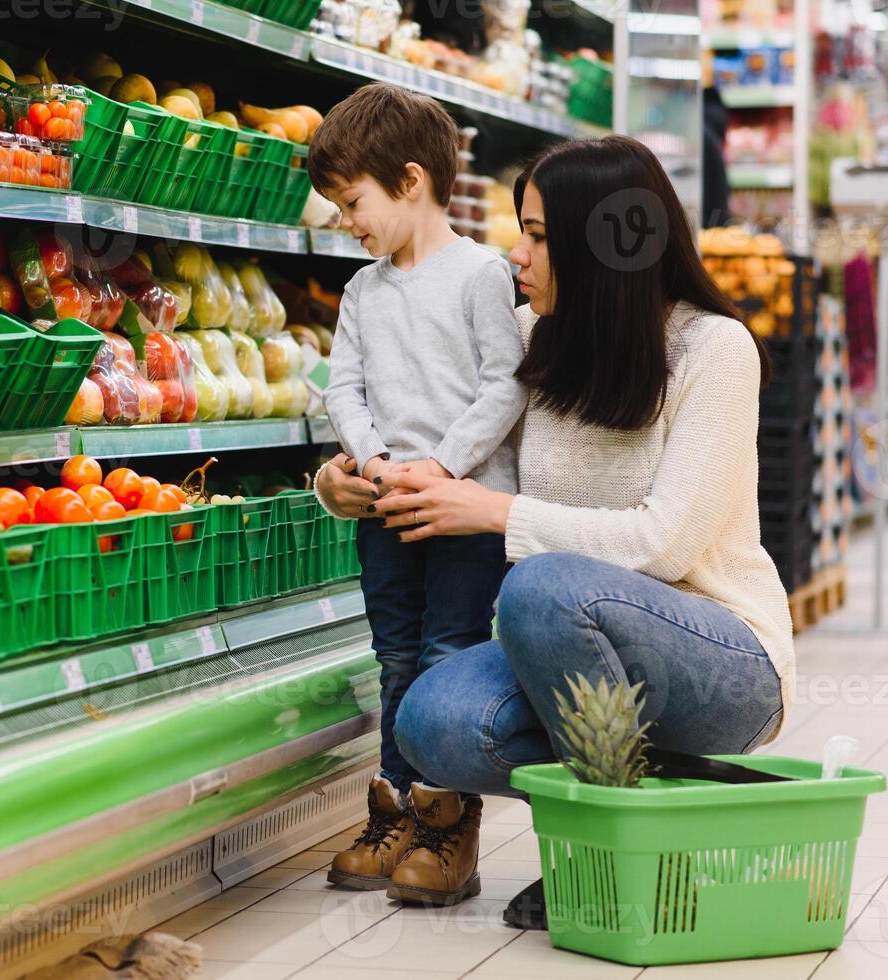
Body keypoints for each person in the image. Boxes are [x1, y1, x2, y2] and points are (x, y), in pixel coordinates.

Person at [314, 135, 793, 928]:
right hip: (570, 658)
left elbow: (665, 543)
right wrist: (342, 483)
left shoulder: (713, 349)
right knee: (430, 721)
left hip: (722, 659)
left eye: (537, 235)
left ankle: (605, 858)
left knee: (541, 584)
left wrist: (496, 515)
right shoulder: (534, 343)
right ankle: (652, 790)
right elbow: (435, 444)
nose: (516, 254)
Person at [306, 83, 526, 900]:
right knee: (396, 656)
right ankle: (395, 808)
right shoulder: (363, 292)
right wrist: (368, 462)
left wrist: (442, 465)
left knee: (447, 655)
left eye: (352, 200)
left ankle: (447, 820)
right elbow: (344, 389)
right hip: (386, 507)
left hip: (464, 510)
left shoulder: (479, 275)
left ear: (410, 180)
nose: (346, 221)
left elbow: (505, 388)